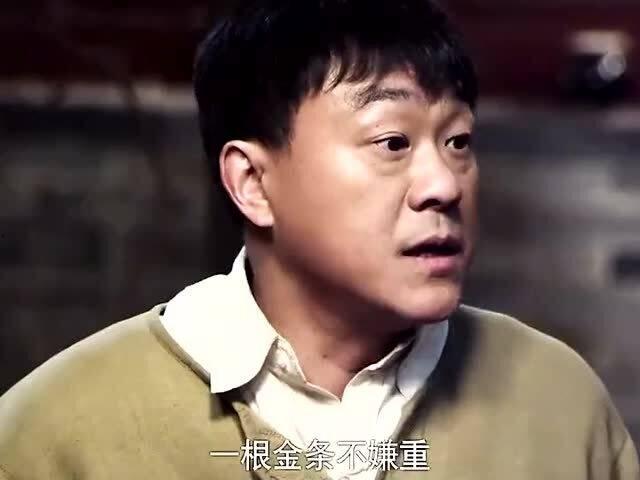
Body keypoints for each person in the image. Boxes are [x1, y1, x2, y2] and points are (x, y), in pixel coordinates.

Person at [1, 0, 638, 478]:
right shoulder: (60, 433)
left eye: (458, 141)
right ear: (252, 182)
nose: (443, 184)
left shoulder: (558, 403)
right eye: (393, 142)